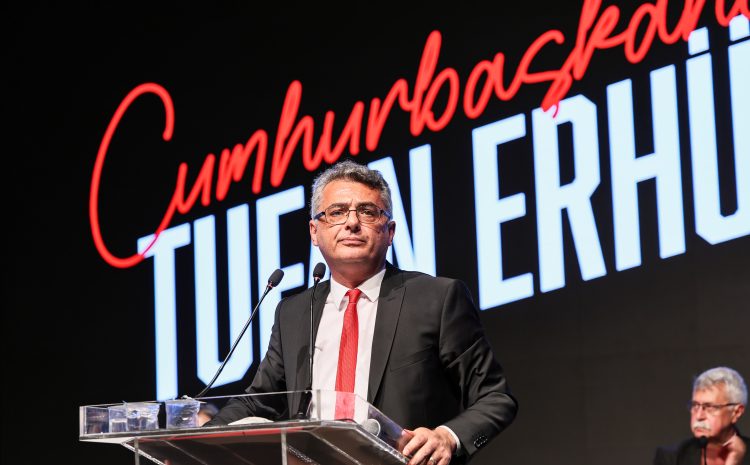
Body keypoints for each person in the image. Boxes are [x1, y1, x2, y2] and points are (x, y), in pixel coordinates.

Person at [205, 159, 518, 464]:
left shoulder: (436, 298)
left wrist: (447, 437)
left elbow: (495, 398)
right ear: (314, 231)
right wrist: (194, 437)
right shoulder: (293, 313)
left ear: (390, 231)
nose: (351, 223)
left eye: (367, 211)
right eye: (337, 212)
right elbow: (259, 402)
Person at [653, 366, 748, 465]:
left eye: (710, 407)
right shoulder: (671, 457)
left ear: (736, 412)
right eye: (695, 405)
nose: (699, 416)